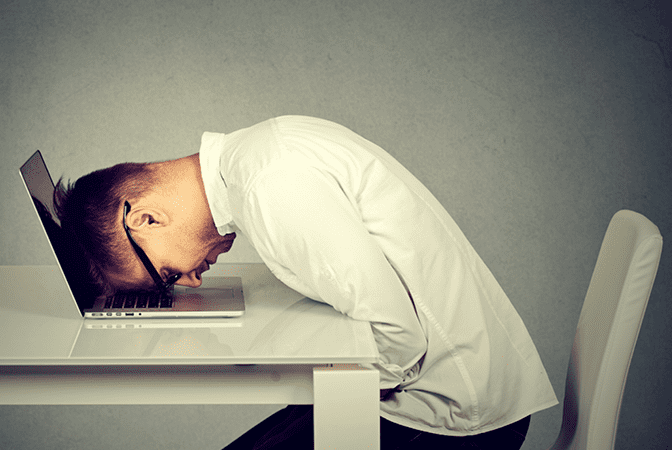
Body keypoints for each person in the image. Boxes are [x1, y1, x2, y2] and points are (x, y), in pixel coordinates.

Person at [54, 115, 558, 449]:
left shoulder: (272, 186)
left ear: (143, 219)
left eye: (164, 276)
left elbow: (400, 341)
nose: (185, 283)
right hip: (436, 390)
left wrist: (276, 373)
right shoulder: (256, 157)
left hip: (454, 415)